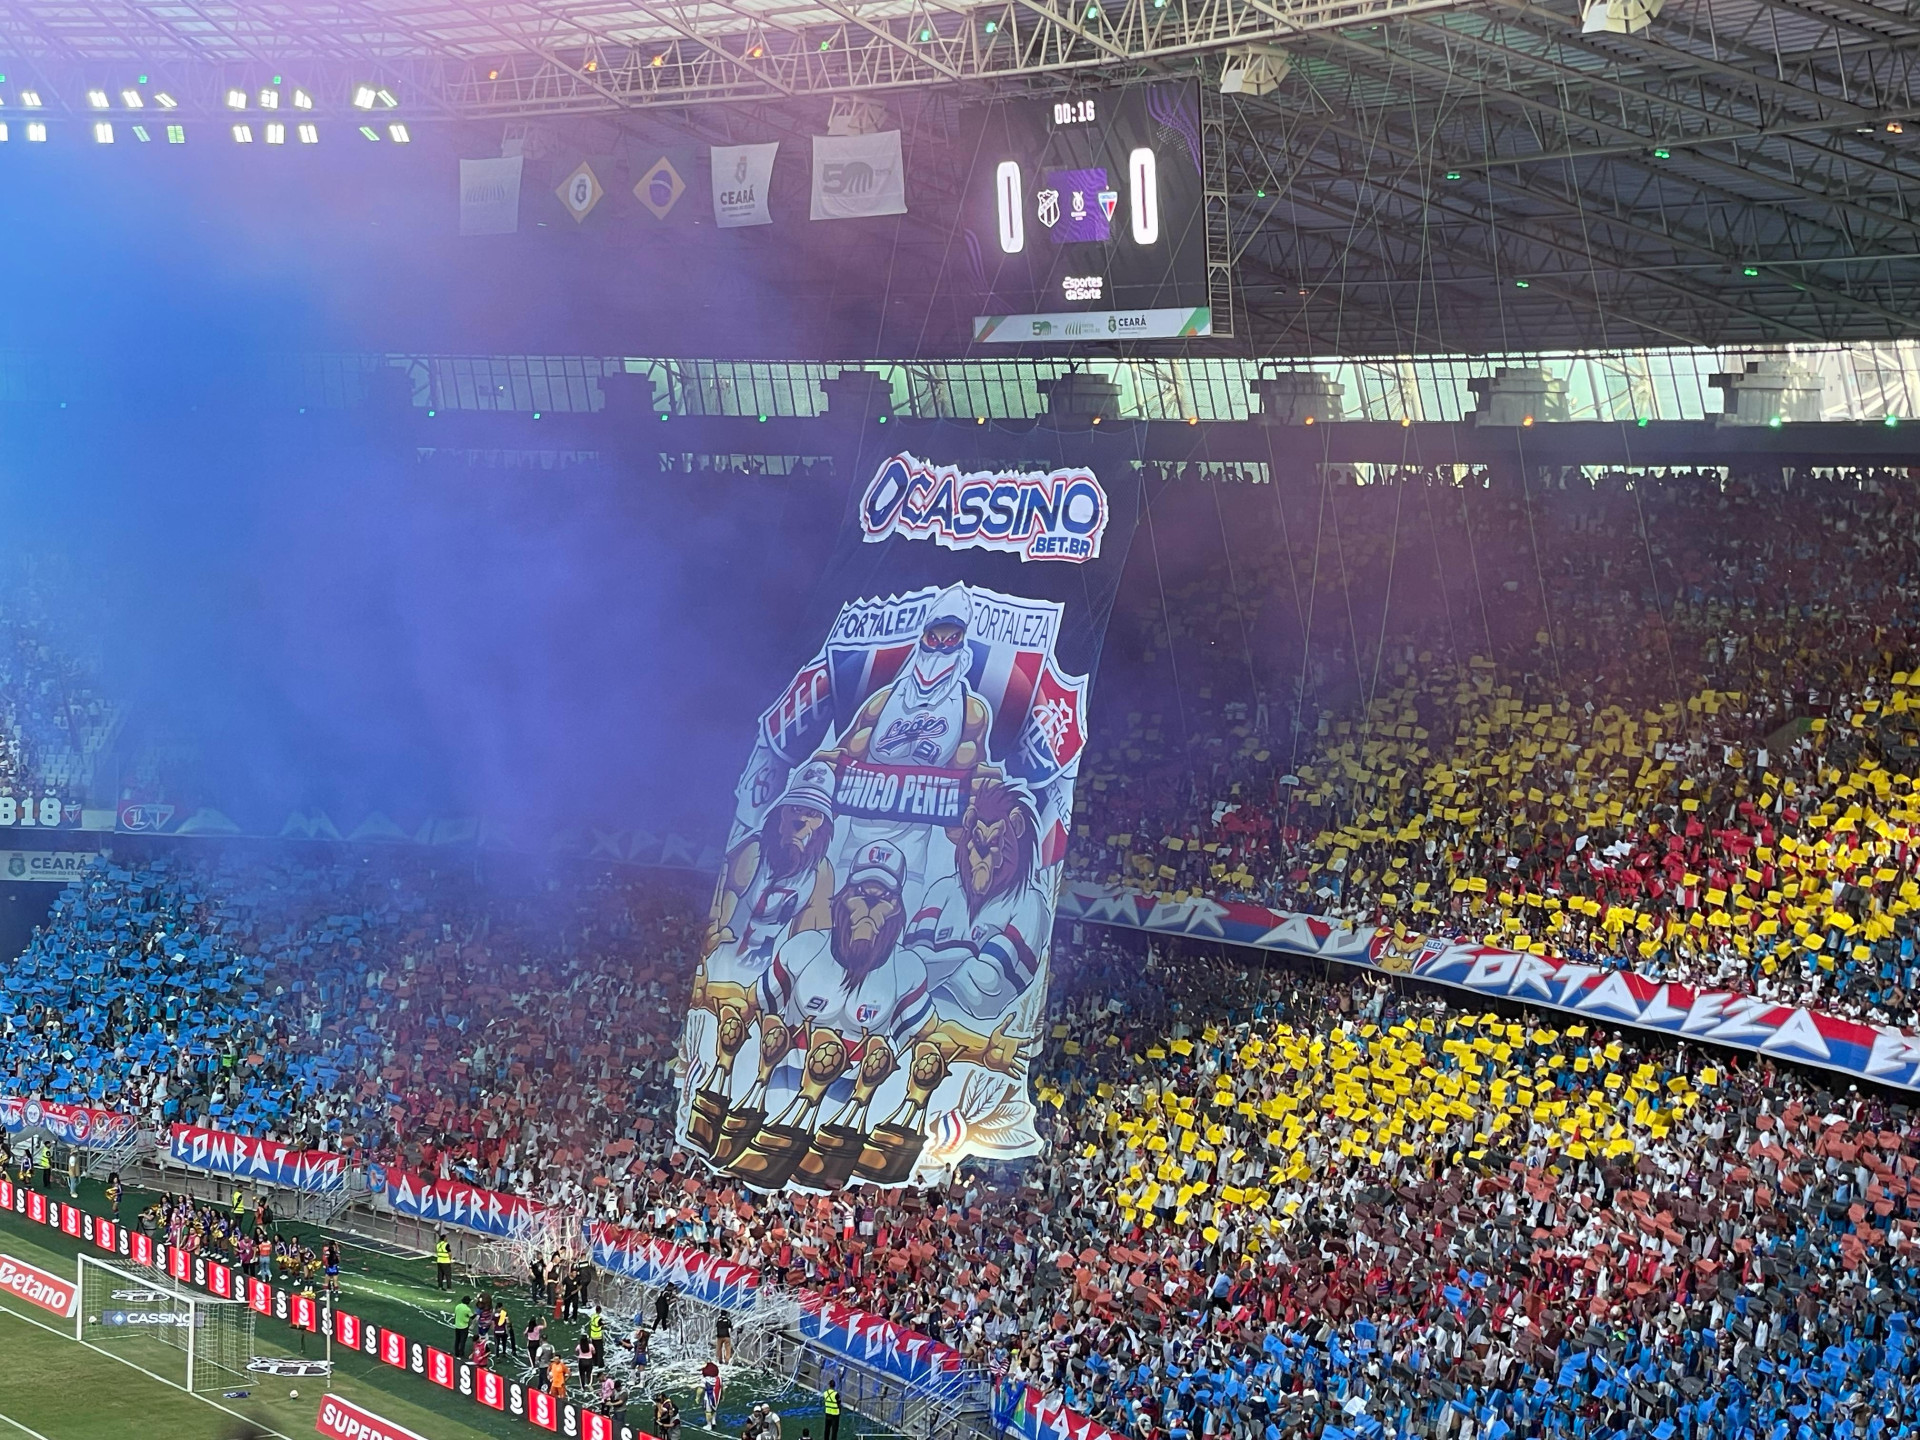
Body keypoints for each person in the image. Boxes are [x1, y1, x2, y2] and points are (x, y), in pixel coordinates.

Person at [452, 1294, 475, 1361]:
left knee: (457, 1340)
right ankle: (461, 1353)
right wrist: (477, 1314)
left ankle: (456, 1353)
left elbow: (456, 1314)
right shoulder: (467, 1309)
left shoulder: (457, 1306)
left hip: (457, 1326)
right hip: (464, 1327)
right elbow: (472, 1317)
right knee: (462, 1341)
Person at [701, 1360, 723, 1429]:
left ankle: (709, 1425)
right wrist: (722, 1395)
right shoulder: (719, 1378)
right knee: (714, 1409)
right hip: (717, 1397)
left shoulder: (705, 1380)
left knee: (708, 1412)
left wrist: (697, 1397)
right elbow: (722, 1388)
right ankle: (714, 1421)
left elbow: (700, 1389)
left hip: (708, 1397)